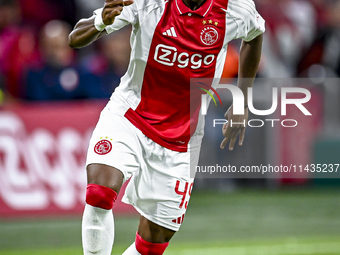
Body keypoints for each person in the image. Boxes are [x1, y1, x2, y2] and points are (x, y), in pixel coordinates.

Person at [68, 0, 265, 254]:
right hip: (129, 116)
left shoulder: (236, 8)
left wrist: (242, 99)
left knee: (152, 244)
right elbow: (75, 38)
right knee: (99, 194)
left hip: (182, 138)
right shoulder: (147, 2)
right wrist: (101, 22)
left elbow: (255, 34)